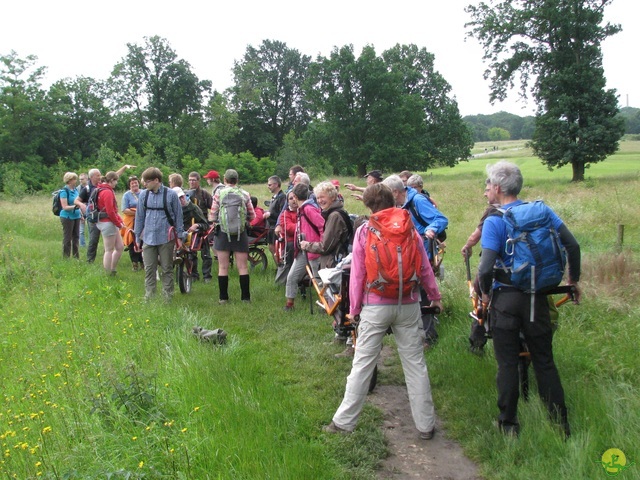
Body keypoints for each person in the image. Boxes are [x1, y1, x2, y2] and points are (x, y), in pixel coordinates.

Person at [323, 183, 443, 439]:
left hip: (375, 304)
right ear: (392, 200)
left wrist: (354, 309)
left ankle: (343, 423)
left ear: (368, 206)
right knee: (415, 364)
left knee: (362, 364)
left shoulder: (366, 230)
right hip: (409, 303)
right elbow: (424, 268)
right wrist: (435, 297)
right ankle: (426, 425)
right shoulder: (410, 228)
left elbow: (358, 275)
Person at [477, 161, 581, 438]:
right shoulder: (542, 211)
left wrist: (485, 294)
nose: (487, 190)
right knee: (545, 361)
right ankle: (561, 426)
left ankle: (508, 425)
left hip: (506, 301)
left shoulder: (495, 220)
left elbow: (485, 268)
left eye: (488, 185)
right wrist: (573, 281)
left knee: (508, 363)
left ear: (497, 188)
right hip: (538, 298)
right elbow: (572, 245)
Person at [383, 174, 448, 348]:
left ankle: (428, 336)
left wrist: (431, 230)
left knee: (424, 294)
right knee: (416, 294)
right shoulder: (399, 204)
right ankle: (416, 333)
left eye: (386, 193)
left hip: (423, 254)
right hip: (409, 256)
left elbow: (441, 219)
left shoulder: (417, 201)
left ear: (395, 192)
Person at [134, 167, 184, 302]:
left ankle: (168, 296)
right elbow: (139, 217)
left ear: (156, 180)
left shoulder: (171, 195)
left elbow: (179, 216)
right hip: (148, 237)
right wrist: (137, 238)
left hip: (166, 237)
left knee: (167, 268)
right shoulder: (143, 195)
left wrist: (179, 237)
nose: (144, 184)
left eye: (147, 181)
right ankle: (149, 296)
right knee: (149, 269)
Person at [208, 169, 255, 304]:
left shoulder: (219, 194)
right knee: (243, 267)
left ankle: (223, 298)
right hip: (240, 234)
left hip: (222, 233)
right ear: (237, 180)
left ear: (225, 180)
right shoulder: (245, 194)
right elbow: (252, 216)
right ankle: (245, 298)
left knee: (223, 267)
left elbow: (213, 215)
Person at [77, 164, 136, 263]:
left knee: (110, 244)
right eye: (97, 175)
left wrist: (124, 167)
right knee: (94, 239)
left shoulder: (102, 185)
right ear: (91, 177)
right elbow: (77, 200)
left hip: (104, 219)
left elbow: (114, 175)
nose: (100, 176)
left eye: (100, 175)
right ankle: (90, 260)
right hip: (96, 217)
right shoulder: (88, 188)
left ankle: (108, 262)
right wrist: (82, 205)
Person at [282, 183, 324, 311]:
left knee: (319, 279)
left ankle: (327, 306)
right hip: (302, 250)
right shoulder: (301, 210)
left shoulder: (308, 209)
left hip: (313, 249)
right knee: (292, 276)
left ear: (294, 196)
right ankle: (289, 304)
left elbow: (322, 225)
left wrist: (321, 245)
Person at [299, 181, 351, 269]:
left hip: (333, 265)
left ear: (333, 197)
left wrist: (307, 245)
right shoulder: (333, 212)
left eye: (322, 197)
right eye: (317, 198)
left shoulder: (334, 216)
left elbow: (325, 247)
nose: (319, 201)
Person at [95, 172, 126, 276]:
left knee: (120, 247)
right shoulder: (107, 192)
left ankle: (112, 269)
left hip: (109, 222)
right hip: (107, 223)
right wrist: (118, 223)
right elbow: (110, 211)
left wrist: (120, 221)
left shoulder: (102, 189)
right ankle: (107, 273)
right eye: (116, 180)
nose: (116, 183)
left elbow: (113, 210)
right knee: (109, 249)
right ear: (112, 180)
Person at [186, 172, 214, 283]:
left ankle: (207, 276)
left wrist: (212, 221)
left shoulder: (204, 194)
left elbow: (214, 207)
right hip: (189, 226)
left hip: (202, 226)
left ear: (198, 181)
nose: (192, 182)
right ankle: (193, 275)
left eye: (194, 180)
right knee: (190, 253)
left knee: (206, 253)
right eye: (190, 180)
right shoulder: (185, 194)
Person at [274, 190, 299, 285]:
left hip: (303, 241)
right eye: (291, 198)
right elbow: (289, 228)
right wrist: (302, 226)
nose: (293, 200)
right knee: (291, 246)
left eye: (295, 197)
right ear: (287, 202)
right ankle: (282, 282)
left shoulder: (304, 212)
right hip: (290, 242)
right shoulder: (285, 214)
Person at [121, 175, 144, 271]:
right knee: (132, 242)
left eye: (136, 182)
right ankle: (134, 263)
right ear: (129, 185)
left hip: (143, 221)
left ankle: (143, 262)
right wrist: (137, 212)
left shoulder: (144, 193)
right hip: (131, 222)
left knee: (143, 241)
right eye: (132, 183)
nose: (134, 184)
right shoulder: (126, 195)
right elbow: (124, 210)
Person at [59, 172, 82, 259]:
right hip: (67, 217)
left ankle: (76, 257)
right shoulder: (64, 191)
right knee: (68, 238)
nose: (75, 181)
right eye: (74, 179)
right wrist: (75, 207)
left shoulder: (76, 190)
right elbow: (64, 207)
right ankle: (66, 257)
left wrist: (80, 213)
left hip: (77, 216)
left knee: (76, 237)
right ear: (69, 180)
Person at [264, 175, 286, 258]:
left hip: (276, 227)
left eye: (270, 185)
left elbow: (283, 213)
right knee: (272, 248)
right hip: (271, 227)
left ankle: (280, 267)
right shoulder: (275, 197)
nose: (268, 187)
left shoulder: (282, 197)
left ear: (276, 184)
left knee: (277, 249)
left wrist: (270, 214)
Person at [77, 173, 88, 247]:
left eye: (82, 179)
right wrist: (80, 213)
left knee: (92, 229)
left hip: (90, 209)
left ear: (86, 179)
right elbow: (77, 201)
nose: (80, 181)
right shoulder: (78, 188)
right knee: (81, 230)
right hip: (81, 209)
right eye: (79, 179)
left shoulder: (90, 187)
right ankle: (82, 245)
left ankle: (91, 245)